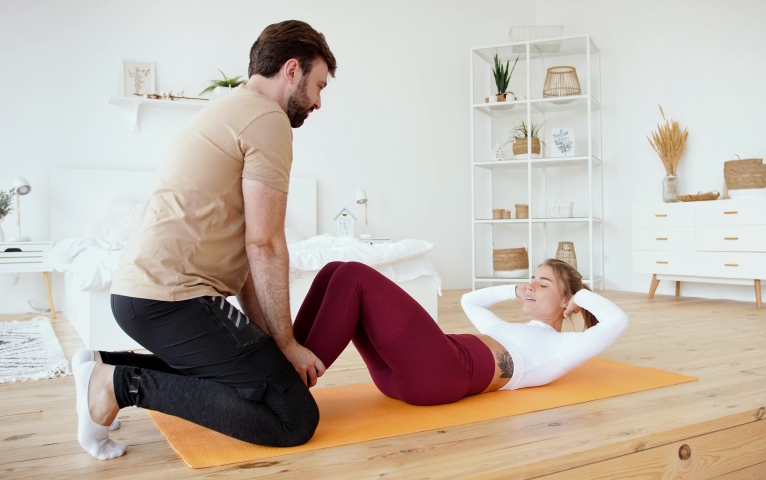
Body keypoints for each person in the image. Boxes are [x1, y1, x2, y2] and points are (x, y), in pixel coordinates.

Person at [72, 20, 337, 460]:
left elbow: (251, 252)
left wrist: (270, 341)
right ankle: (118, 384)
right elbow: (266, 245)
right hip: (171, 301)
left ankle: (106, 365)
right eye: (318, 86)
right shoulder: (268, 119)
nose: (318, 102)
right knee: (293, 417)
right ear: (292, 70)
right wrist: (287, 344)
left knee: (252, 379)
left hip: (144, 298)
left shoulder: (231, 108)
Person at [290, 259, 629, 406]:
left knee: (353, 276)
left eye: (543, 284)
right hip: (400, 375)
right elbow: (471, 301)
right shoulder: (506, 328)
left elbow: (616, 322)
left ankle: (287, 385)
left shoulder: (564, 346)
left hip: (442, 373)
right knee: (333, 270)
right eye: (531, 280)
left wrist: (580, 297)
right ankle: (285, 359)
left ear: (566, 300)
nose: (531, 286)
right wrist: (513, 289)